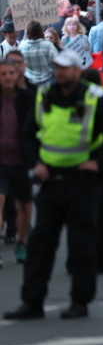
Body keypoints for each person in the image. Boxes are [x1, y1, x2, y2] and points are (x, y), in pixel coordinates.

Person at [4, 49, 103, 320]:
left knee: (81, 246)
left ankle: (80, 302)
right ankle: (32, 302)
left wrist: (99, 164)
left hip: (82, 182)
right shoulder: (43, 97)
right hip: (51, 182)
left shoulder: (94, 98)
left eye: (65, 68)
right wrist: (36, 163)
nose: (60, 72)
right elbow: (27, 134)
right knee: (40, 245)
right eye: (57, 68)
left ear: (77, 70)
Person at [0, 58, 35, 267]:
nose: (7, 78)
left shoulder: (27, 98)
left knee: (24, 206)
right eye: (3, 74)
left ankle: (21, 242)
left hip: (22, 160)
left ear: (17, 74)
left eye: (10, 73)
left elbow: (37, 128)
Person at [19, 20, 56, 88]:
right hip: (48, 81)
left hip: (29, 82)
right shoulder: (48, 45)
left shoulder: (22, 46)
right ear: (40, 31)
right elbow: (56, 62)